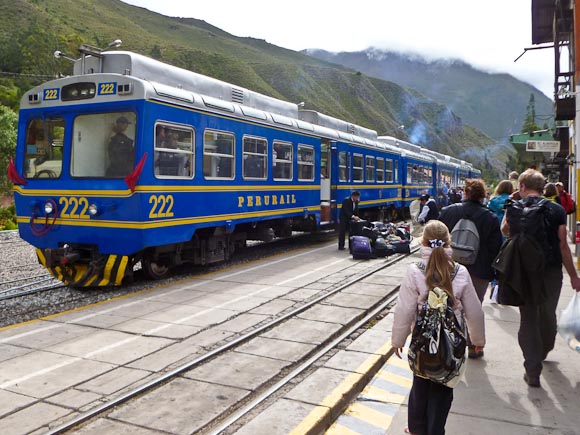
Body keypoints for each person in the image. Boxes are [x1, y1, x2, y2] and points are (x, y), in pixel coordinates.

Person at [391, 220, 485, 435]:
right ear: (449, 242)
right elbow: (475, 311)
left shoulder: (414, 270)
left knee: (420, 384)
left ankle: (416, 429)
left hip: (422, 341)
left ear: (423, 241)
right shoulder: (460, 271)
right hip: (452, 344)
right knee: (444, 388)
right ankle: (435, 430)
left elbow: (404, 309)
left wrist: (398, 340)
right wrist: (478, 341)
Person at [501, 169, 580, 387]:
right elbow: (563, 245)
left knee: (528, 318)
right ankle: (544, 349)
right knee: (547, 313)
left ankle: (532, 369)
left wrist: (511, 205)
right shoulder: (556, 209)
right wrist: (573, 275)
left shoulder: (514, 207)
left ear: (522, 187)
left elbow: (505, 231)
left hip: (523, 271)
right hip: (551, 271)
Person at [439, 178, 502, 358]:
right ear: (483, 196)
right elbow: (495, 247)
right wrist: (494, 273)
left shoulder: (448, 212)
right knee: (473, 309)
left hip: (449, 269)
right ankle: (473, 346)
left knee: (448, 306)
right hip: (479, 271)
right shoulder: (490, 217)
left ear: (464, 193)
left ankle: (448, 344)